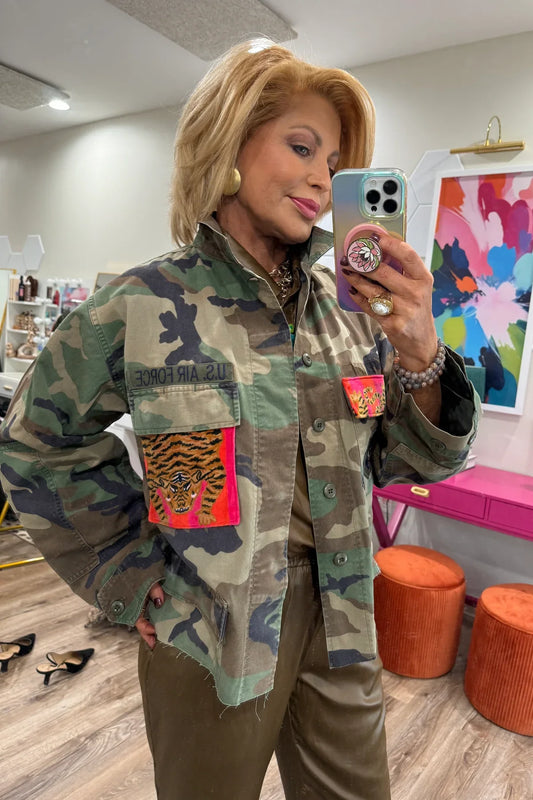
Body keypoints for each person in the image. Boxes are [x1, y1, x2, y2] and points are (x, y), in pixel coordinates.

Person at [0, 39, 479, 800]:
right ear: (229, 143)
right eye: (302, 147)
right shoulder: (141, 305)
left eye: (336, 163)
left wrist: (420, 350)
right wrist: (127, 571)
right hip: (209, 622)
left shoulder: (353, 320)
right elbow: (36, 444)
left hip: (343, 615)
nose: (321, 179)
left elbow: (413, 463)